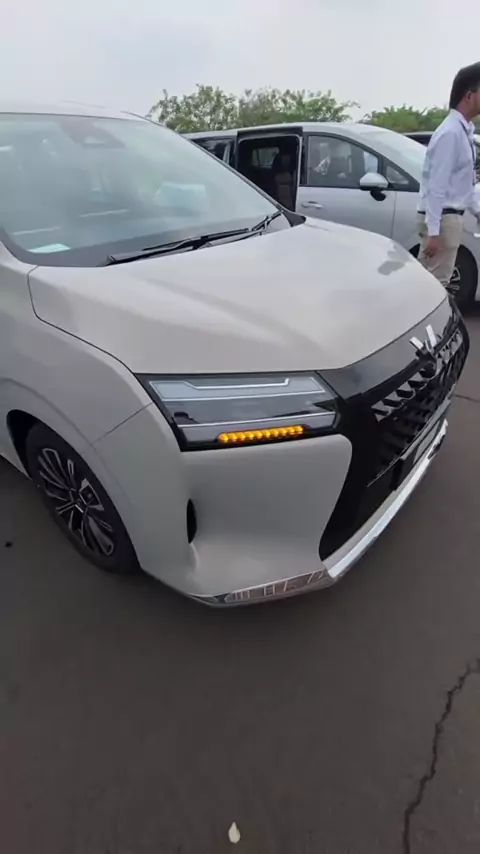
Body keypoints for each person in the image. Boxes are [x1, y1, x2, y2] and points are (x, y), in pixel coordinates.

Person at [417, 62, 480, 288]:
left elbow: (464, 184)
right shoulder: (450, 133)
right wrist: (434, 231)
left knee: (433, 283)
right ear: (469, 96)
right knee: (433, 286)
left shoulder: (463, 131)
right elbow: (437, 185)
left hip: (449, 219)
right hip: (443, 219)